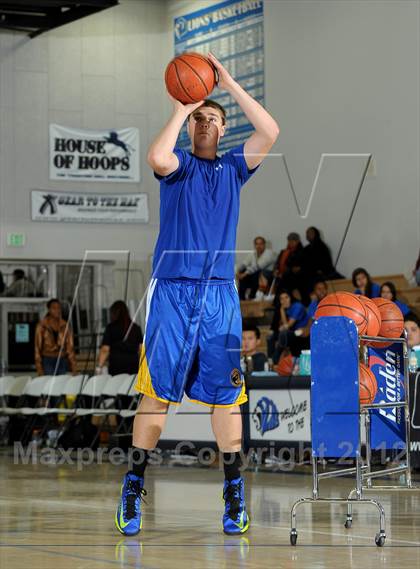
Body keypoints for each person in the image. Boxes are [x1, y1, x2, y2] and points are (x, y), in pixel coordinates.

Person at [115, 52, 279, 537]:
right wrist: (182, 106)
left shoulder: (233, 168)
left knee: (227, 398)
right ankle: (133, 483)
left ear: (223, 129)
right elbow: (155, 157)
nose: (205, 123)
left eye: (213, 118)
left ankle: (233, 494)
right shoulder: (180, 165)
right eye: (198, 118)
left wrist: (226, 80)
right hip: (171, 294)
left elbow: (270, 131)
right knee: (156, 397)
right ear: (190, 127)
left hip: (220, 300)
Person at [96, 301, 143, 376]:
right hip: (133, 365)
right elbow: (141, 349)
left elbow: (105, 350)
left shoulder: (111, 328)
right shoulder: (136, 328)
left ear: (114, 313)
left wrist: (99, 367)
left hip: (116, 367)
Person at [34, 299, 77, 375]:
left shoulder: (65, 325)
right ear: (49, 310)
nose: (57, 310)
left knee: (61, 383)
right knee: (50, 384)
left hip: (62, 359)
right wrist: (39, 367)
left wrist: (73, 366)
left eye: (58, 308)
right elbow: (37, 347)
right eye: (54, 308)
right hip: (47, 359)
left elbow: (70, 347)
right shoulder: (42, 325)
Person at [268, 290, 309, 363]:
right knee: (270, 337)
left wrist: (282, 311)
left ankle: (275, 360)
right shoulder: (285, 309)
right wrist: (282, 310)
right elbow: (284, 325)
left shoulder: (297, 306)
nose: (284, 300)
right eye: (281, 299)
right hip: (292, 332)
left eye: (286, 297)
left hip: (302, 332)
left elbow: (288, 326)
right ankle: (270, 359)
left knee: (283, 334)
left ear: (291, 298)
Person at [272, 233, 307, 304]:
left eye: (293, 240)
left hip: (296, 276)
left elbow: (300, 267)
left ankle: (278, 302)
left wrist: (286, 271)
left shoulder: (302, 252)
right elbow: (277, 263)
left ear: (297, 241)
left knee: (285, 280)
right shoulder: (284, 252)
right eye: (289, 240)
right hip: (283, 275)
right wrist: (276, 270)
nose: (291, 242)